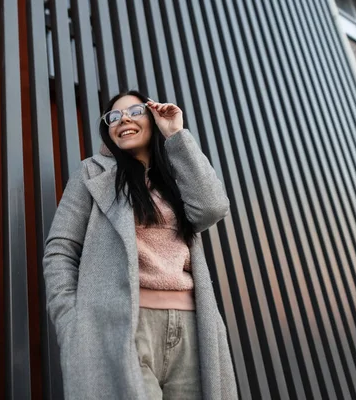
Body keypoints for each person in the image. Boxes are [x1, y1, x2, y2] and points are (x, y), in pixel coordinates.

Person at [43, 90, 237, 399]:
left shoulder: (176, 176)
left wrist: (175, 134)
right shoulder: (92, 173)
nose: (124, 120)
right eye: (114, 117)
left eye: (134, 111)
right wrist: (71, 321)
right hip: (121, 326)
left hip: (191, 326)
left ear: (152, 117)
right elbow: (60, 250)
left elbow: (212, 208)